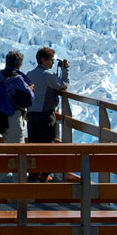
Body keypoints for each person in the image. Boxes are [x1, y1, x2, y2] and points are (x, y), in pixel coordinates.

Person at [0, 50, 35, 183]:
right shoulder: (17, 78)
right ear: (19, 65)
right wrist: (30, 89)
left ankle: (13, 182)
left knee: (10, 149)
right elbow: (29, 98)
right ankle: (16, 184)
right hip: (14, 116)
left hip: (1, 118)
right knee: (17, 151)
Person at [26, 47, 70, 182]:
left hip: (31, 114)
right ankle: (44, 174)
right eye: (50, 60)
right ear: (43, 60)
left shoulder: (29, 73)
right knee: (47, 145)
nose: (52, 63)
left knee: (34, 144)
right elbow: (64, 85)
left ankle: (33, 173)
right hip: (45, 114)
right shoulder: (48, 76)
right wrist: (65, 70)